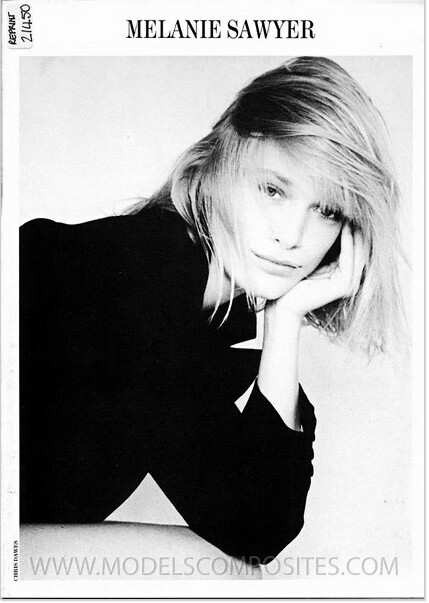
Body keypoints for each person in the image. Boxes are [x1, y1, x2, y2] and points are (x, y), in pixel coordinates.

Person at [19, 56, 402, 566]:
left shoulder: (190, 309)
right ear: (218, 166)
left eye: (327, 211)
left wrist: (284, 320)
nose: (292, 237)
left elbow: (262, 526)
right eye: (273, 190)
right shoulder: (134, 278)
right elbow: (256, 526)